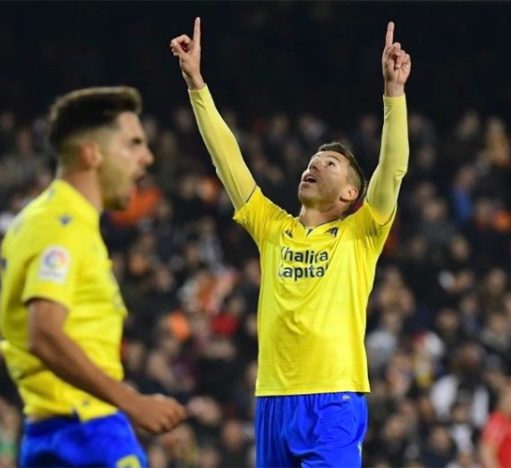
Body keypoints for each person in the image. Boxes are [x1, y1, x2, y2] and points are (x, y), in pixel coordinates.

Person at [170, 18, 411, 466]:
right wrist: (197, 86)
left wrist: (393, 95)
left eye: (331, 163)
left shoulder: (362, 232)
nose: (315, 164)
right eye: (314, 158)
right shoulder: (272, 228)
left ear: (350, 194)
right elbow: (228, 161)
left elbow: (392, 169)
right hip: (272, 399)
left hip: (333, 398)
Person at [0, 87, 186, 467]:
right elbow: (45, 332)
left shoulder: (48, 220)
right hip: (86, 430)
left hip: (51, 429)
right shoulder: (61, 225)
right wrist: (133, 402)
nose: (146, 158)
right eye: (133, 144)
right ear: (92, 154)